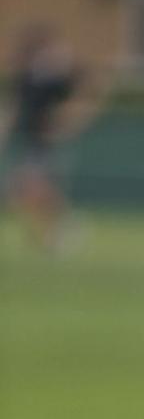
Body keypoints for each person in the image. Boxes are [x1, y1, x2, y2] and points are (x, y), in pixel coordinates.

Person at [1, 25, 87, 251]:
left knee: (30, 188)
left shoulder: (56, 80)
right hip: (27, 141)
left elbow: (82, 96)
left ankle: (57, 231)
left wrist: (66, 123)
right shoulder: (26, 79)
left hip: (45, 143)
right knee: (25, 192)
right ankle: (50, 232)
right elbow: (13, 106)